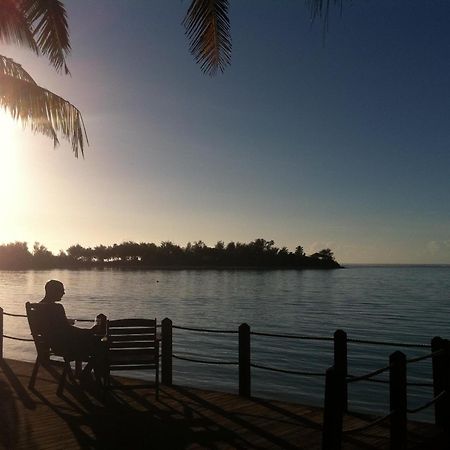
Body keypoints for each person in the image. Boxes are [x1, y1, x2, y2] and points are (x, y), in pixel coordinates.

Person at [37, 279, 106, 377]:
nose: (64, 293)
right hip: (64, 346)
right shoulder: (56, 308)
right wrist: (90, 331)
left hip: (51, 344)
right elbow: (68, 331)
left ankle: (84, 374)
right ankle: (86, 374)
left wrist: (65, 322)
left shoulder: (37, 307)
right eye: (61, 290)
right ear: (53, 291)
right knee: (100, 344)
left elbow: (53, 326)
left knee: (96, 342)